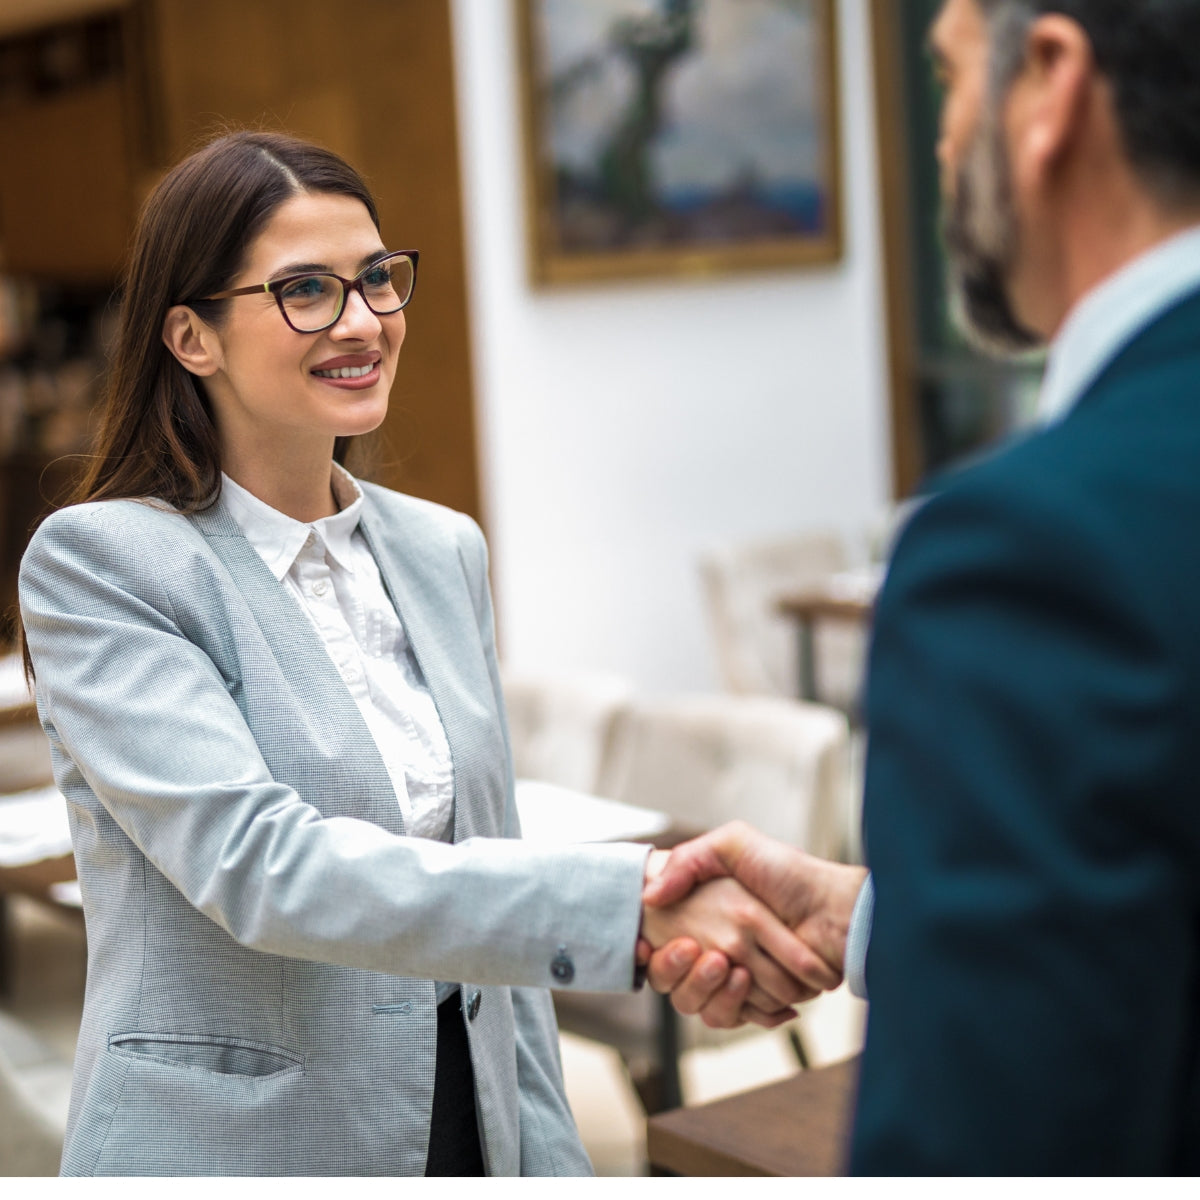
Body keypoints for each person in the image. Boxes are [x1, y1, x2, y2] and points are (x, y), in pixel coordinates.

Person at [16, 130, 835, 1177]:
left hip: (465, 1121)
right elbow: (266, 867)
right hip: (239, 1148)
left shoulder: (442, 549)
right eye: (305, 291)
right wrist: (626, 905)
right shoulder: (106, 564)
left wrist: (552, 1161)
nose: (362, 321)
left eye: (375, 281)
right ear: (192, 337)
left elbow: (485, 870)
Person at [644, 0, 1200, 1174]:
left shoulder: (1029, 551)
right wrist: (876, 922)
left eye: (946, 83)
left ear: (1048, 84)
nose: (941, 147)